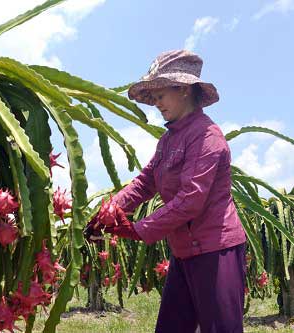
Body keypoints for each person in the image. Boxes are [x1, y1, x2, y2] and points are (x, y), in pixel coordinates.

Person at [84, 50, 247, 333]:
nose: (156, 103)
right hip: (183, 251)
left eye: (160, 95)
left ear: (183, 89)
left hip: (216, 250)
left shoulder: (208, 137)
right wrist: (109, 211)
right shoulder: (168, 140)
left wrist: (138, 229)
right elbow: (145, 182)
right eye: (153, 97)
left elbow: (190, 200)